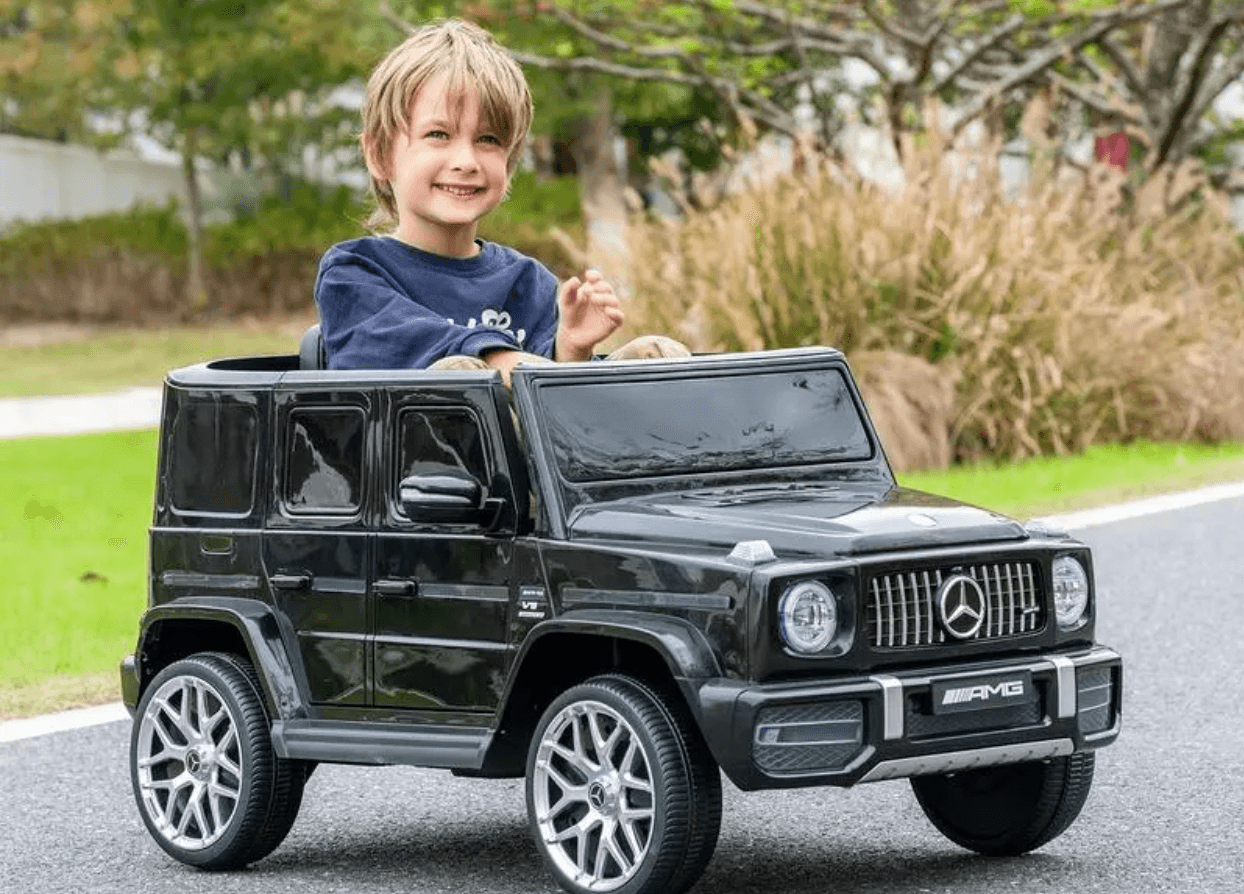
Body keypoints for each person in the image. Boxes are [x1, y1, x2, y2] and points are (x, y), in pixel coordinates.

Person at [314, 18, 686, 384]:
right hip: (416, 426)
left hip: (525, 429)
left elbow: (553, 402)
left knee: (657, 354)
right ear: (380, 154)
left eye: (488, 139)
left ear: (508, 163)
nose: (466, 161)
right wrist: (499, 361)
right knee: (455, 375)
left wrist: (569, 350)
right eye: (439, 134)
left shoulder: (529, 284)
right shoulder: (353, 274)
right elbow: (397, 347)